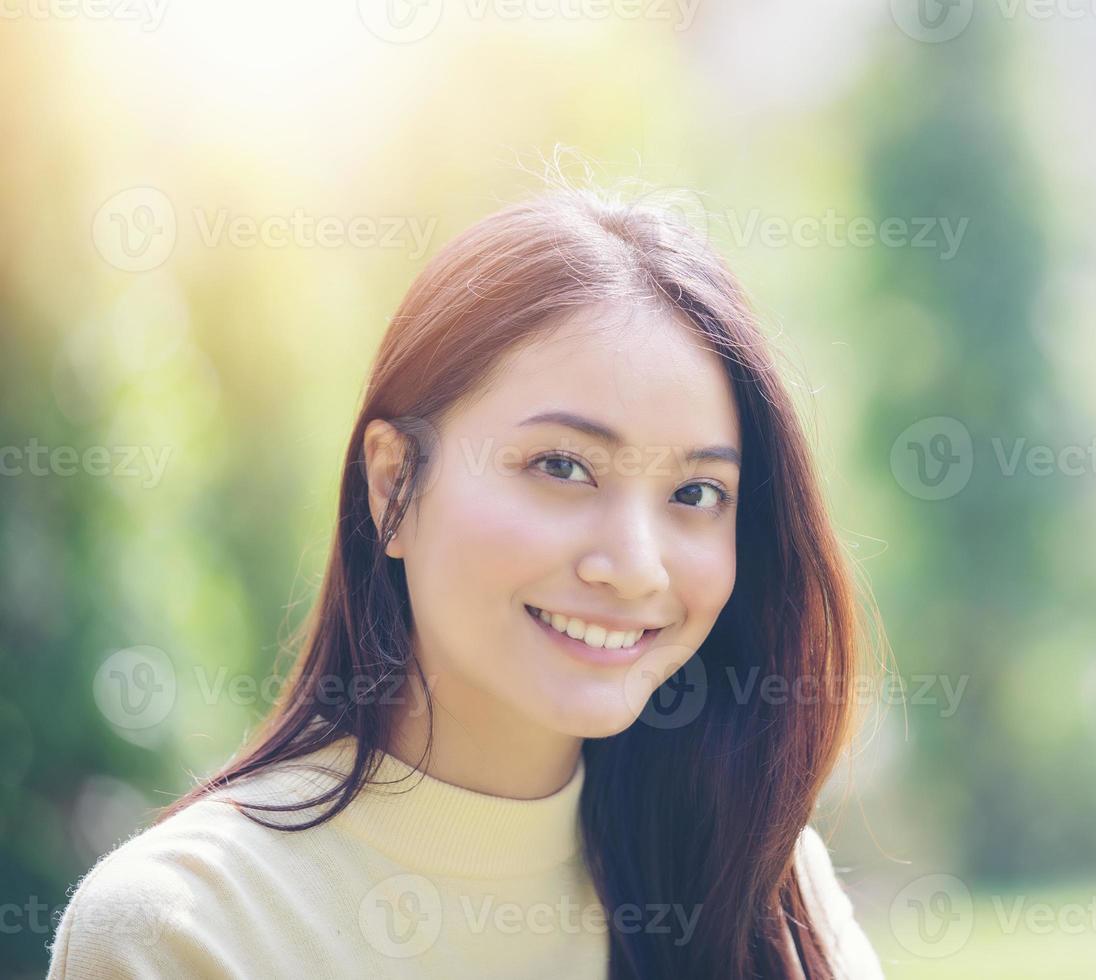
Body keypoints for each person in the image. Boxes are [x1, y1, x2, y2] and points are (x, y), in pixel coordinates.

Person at [46, 183, 889, 979]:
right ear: (393, 485)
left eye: (696, 493)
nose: (635, 566)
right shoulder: (191, 928)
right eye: (562, 467)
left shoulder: (765, 892)